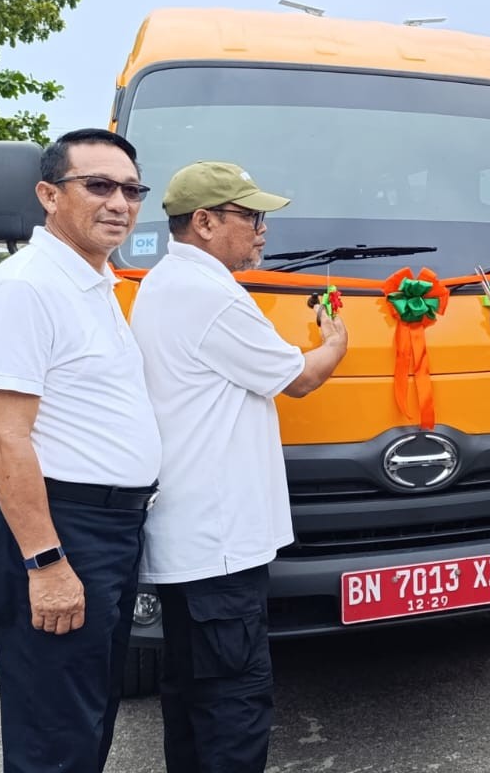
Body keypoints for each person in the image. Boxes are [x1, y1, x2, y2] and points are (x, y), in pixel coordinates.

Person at [130, 162, 347, 772]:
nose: (262, 230)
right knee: (235, 699)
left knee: (192, 693)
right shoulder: (212, 295)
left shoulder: (164, 282)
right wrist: (335, 342)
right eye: (250, 217)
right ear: (203, 222)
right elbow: (299, 378)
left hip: (191, 538)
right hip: (218, 545)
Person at [0, 128, 163, 773]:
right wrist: (46, 564)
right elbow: (2, 436)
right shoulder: (27, 288)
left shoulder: (93, 282)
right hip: (60, 530)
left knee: (86, 717)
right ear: (49, 194)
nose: (120, 203)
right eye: (98, 186)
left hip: (104, 527)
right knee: (55, 738)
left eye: (132, 189)